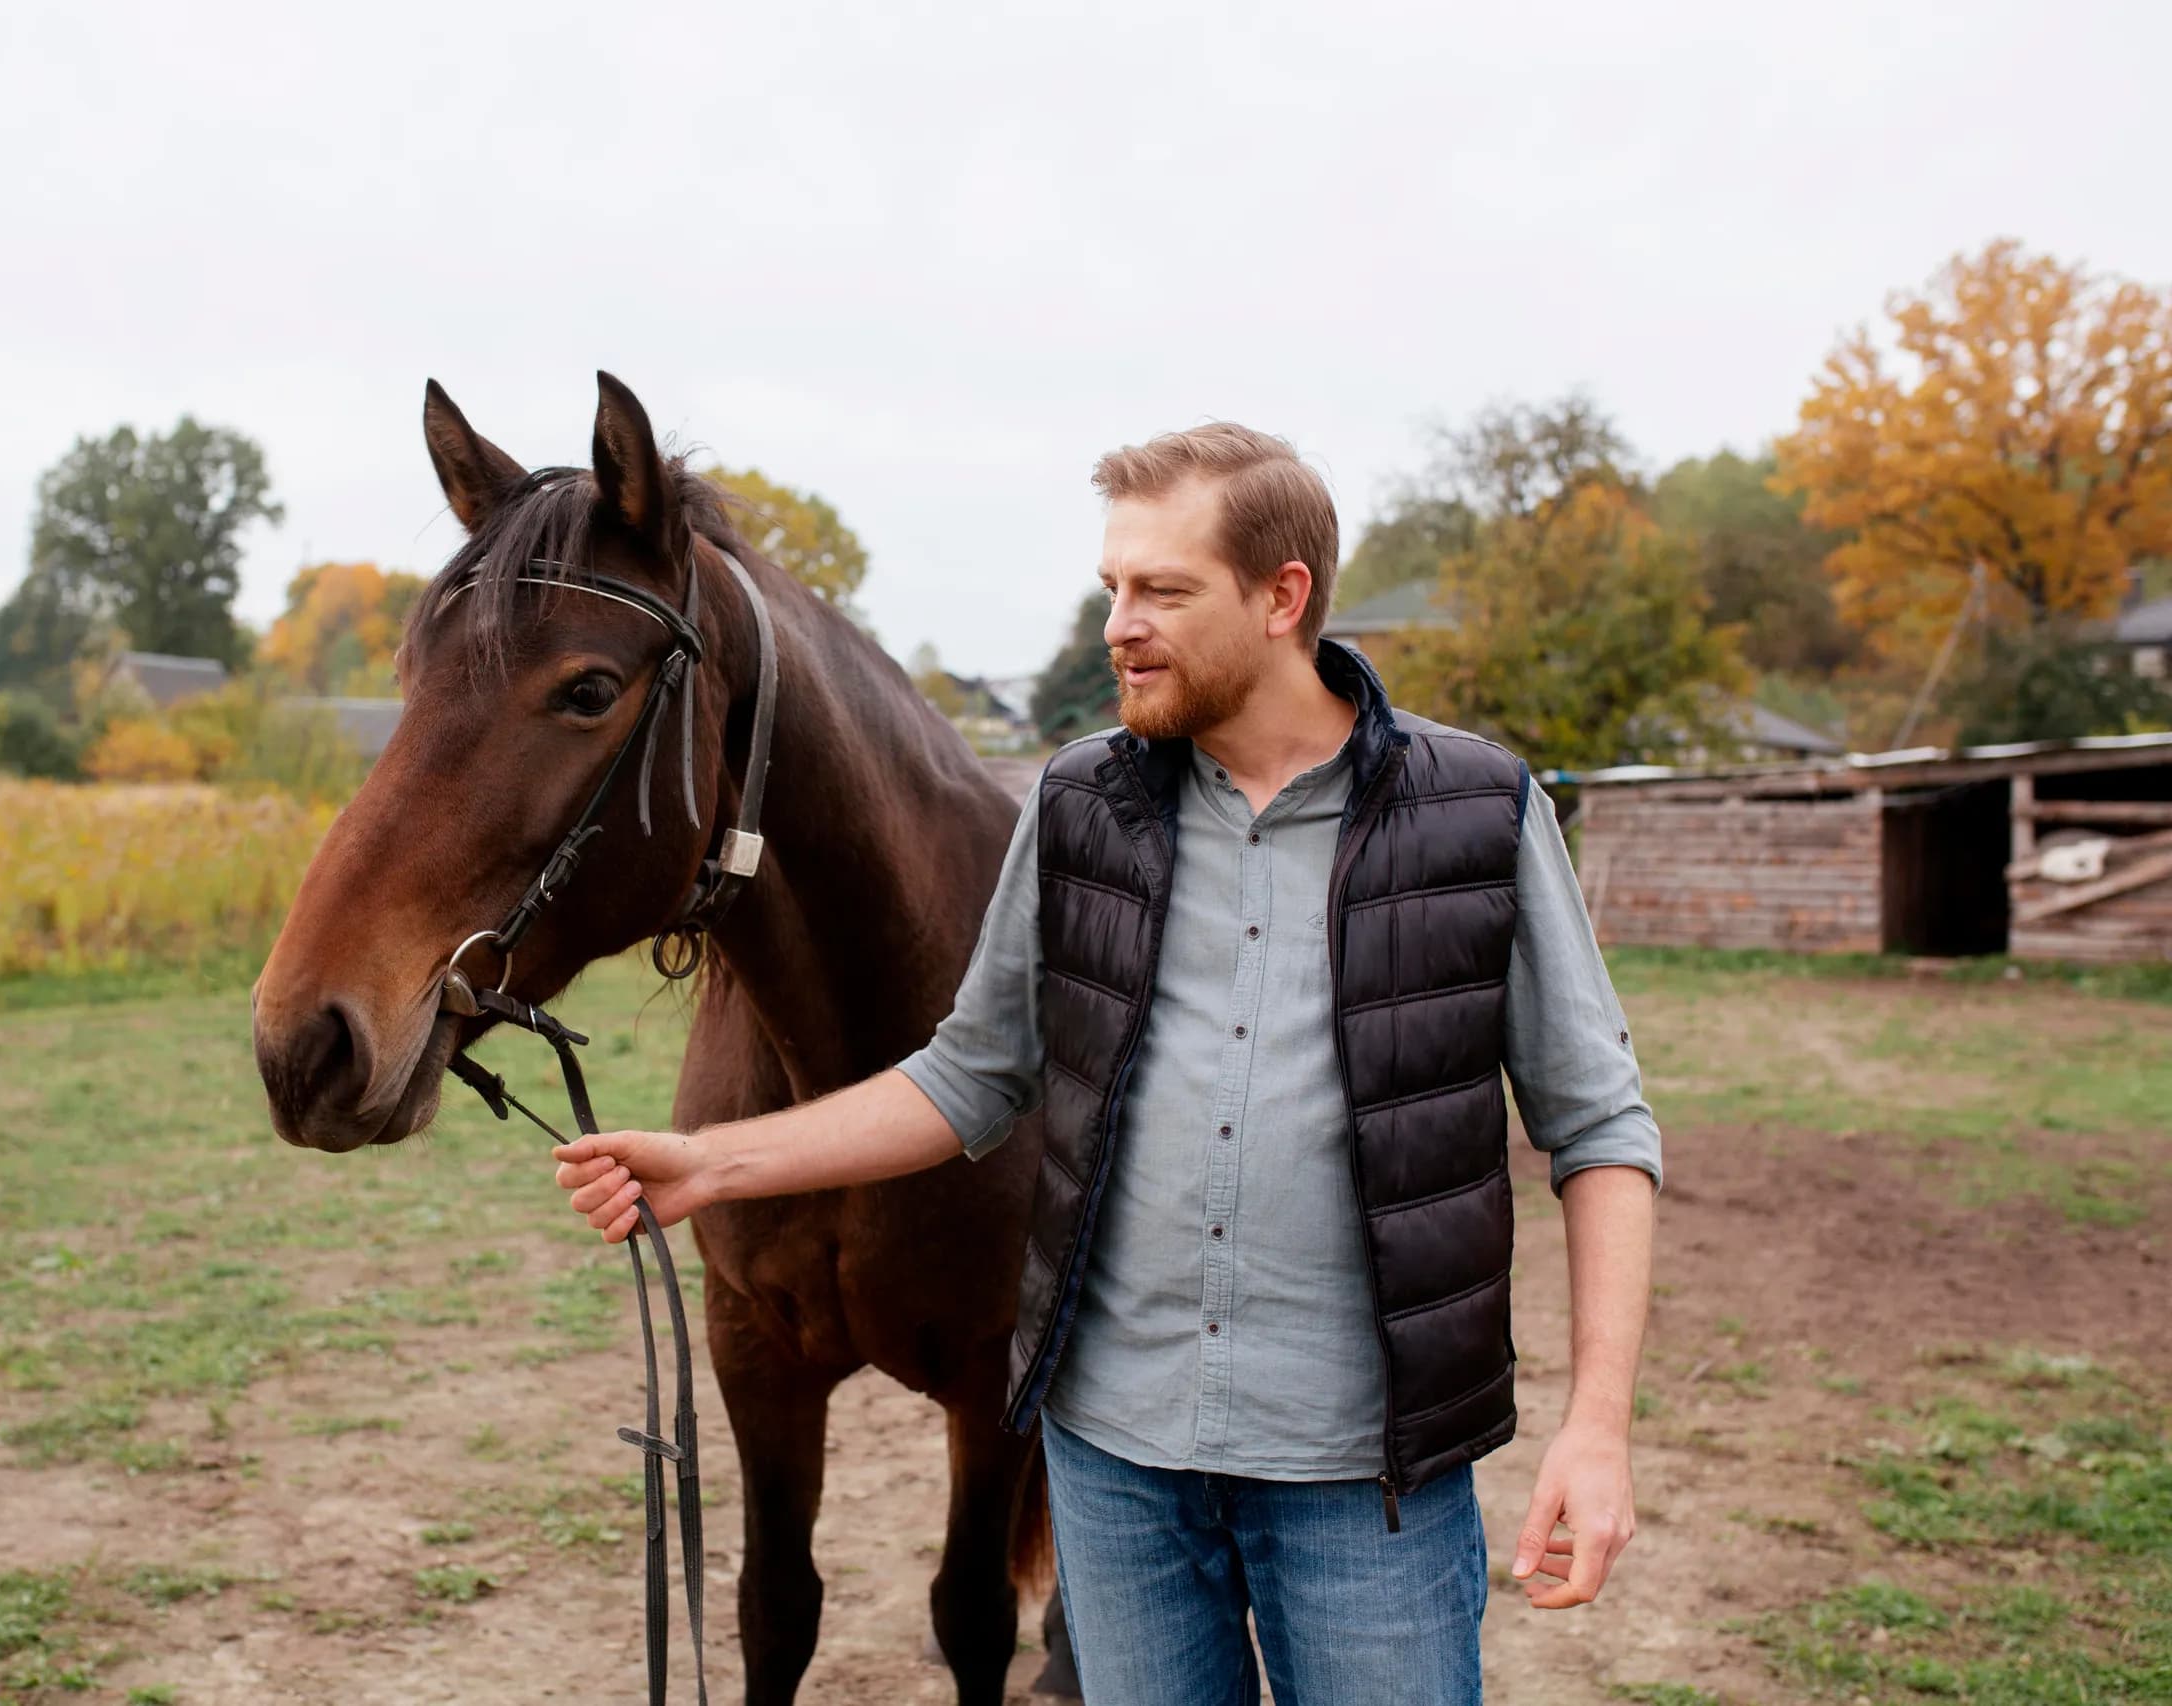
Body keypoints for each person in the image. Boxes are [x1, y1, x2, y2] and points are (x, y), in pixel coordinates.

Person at [553, 423, 1660, 1705]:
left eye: (1162, 592)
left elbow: (1599, 1128)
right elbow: (971, 1073)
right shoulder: (1079, 807)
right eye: (1112, 588)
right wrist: (712, 1161)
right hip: (1118, 1468)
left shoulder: (1475, 812)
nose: (1118, 627)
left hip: (1369, 1480)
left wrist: (1597, 1425)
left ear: (1282, 597)